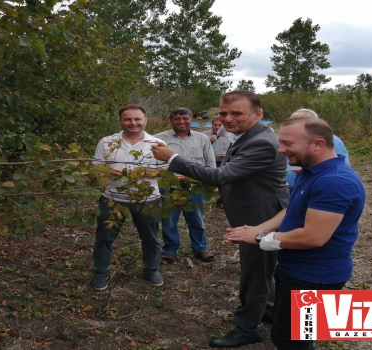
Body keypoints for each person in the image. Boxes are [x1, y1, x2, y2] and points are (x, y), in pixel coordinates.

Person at [152, 90, 289, 348]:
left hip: (261, 217)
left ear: (257, 114)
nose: (228, 119)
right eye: (223, 113)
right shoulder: (248, 135)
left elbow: (221, 175)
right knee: (263, 270)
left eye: (236, 113)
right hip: (258, 211)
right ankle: (268, 310)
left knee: (255, 273)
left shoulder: (260, 141)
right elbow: (231, 175)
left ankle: (248, 328)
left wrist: (172, 158)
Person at [224, 115, 366, 350]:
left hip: (315, 277)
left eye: (288, 144)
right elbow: (293, 211)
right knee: (288, 334)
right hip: (295, 270)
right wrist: (260, 228)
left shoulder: (335, 182)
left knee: (293, 341)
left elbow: (313, 237)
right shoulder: (311, 172)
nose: (280, 150)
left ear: (317, 144)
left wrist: (260, 239)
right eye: (281, 142)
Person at [91, 105, 166, 291]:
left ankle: (151, 269)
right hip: (112, 198)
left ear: (145, 120)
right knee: (104, 238)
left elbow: (168, 172)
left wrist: (148, 172)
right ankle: (101, 272)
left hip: (147, 200)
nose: (133, 123)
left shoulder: (157, 144)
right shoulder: (107, 142)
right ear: (121, 121)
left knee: (151, 238)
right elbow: (93, 170)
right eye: (128, 119)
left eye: (137, 119)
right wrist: (106, 169)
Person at [155, 108, 216, 264]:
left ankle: (200, 248)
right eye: (177, 119)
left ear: (191, 119)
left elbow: (210, 164)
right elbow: (152, 164)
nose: (181, 122)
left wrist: (198, 178)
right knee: (169, 220)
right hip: (169, 186)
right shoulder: (159, 139)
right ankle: (170, 249)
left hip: (195, 187)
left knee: (196, 219)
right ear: (171, 120)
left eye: (185, 118)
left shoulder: (202, 138)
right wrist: (171, 176)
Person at [285, 109, 350, 191]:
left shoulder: (332, 140)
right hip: (287, 191)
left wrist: (310, 170)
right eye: (292, 122)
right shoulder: (287, 140)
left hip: (313, 190)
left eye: (300, 122)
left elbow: (340, 168)